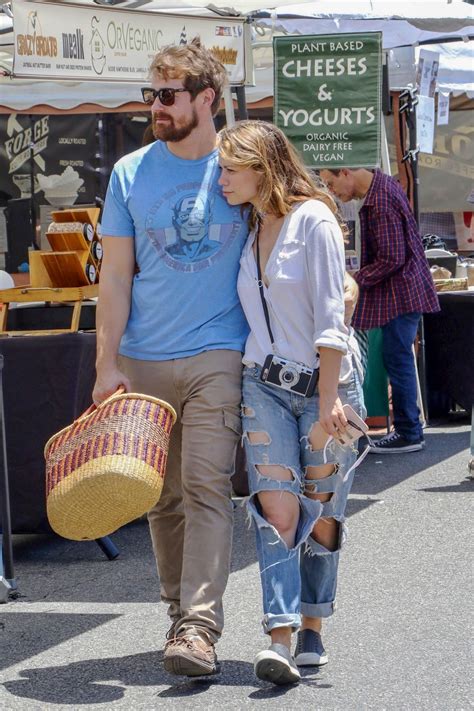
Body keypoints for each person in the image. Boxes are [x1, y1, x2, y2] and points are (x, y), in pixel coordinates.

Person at [92, 38, 249, 677]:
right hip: (145, 357)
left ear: (207, 99)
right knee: (163, 497)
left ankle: (198, 627)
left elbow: (297, 211)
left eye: (167, 96)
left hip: (219, 350)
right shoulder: (130, 172)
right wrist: (105, 365)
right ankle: (175, 609)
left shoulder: (241, 164)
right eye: (149, 95)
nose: (154, 107)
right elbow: (117, 280)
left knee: (206, 485)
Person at [218, 121, 365, 685]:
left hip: (327, 387)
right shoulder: (249, 225)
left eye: (232, 168)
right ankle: (278, 634)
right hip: (263, 383)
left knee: (323, 514)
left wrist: (329, 400)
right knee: (276, 507)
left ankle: (313, 624)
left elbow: (332, 318)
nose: (223, 179)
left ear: (263, 167)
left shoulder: (316, 220)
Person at [320, 167, 440, 454]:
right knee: (397, 358)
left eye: (331, 182)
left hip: (402, 293)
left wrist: (354, 280)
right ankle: (409, 429)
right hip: (404, 291)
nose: (332, 191)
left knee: (397, 359)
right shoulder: (382, 187)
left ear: (346, 172)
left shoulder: (380, 199)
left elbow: (391, 258)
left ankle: (409, 432)